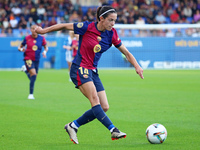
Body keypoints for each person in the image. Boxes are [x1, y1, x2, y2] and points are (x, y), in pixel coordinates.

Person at [35, 6, 144, 144]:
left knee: (104, 107)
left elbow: (126, 53)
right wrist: (43, 31)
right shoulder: (86, 27)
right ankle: (113, 130)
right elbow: (63, 25)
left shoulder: (112, 34)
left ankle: (73, 126)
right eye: (110, 20)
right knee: (95, 101)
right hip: (80, 68)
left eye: (114, 20)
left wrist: (137, 66)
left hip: (93, 71)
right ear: (101, 18)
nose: (113, 23)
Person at [18, 25, 48, 99]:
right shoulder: (27, 38)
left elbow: (46, 47)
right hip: (28, 58)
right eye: (33, 29)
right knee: (33, 74)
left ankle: (25, 70)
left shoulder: (42, 38)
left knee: (33, 77)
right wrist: (21, 49)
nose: (34, 30)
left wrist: (45, 52)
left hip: (36, 59)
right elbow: (20, 47)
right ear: (31, 30)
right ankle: (31, 94)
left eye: (36, 29)